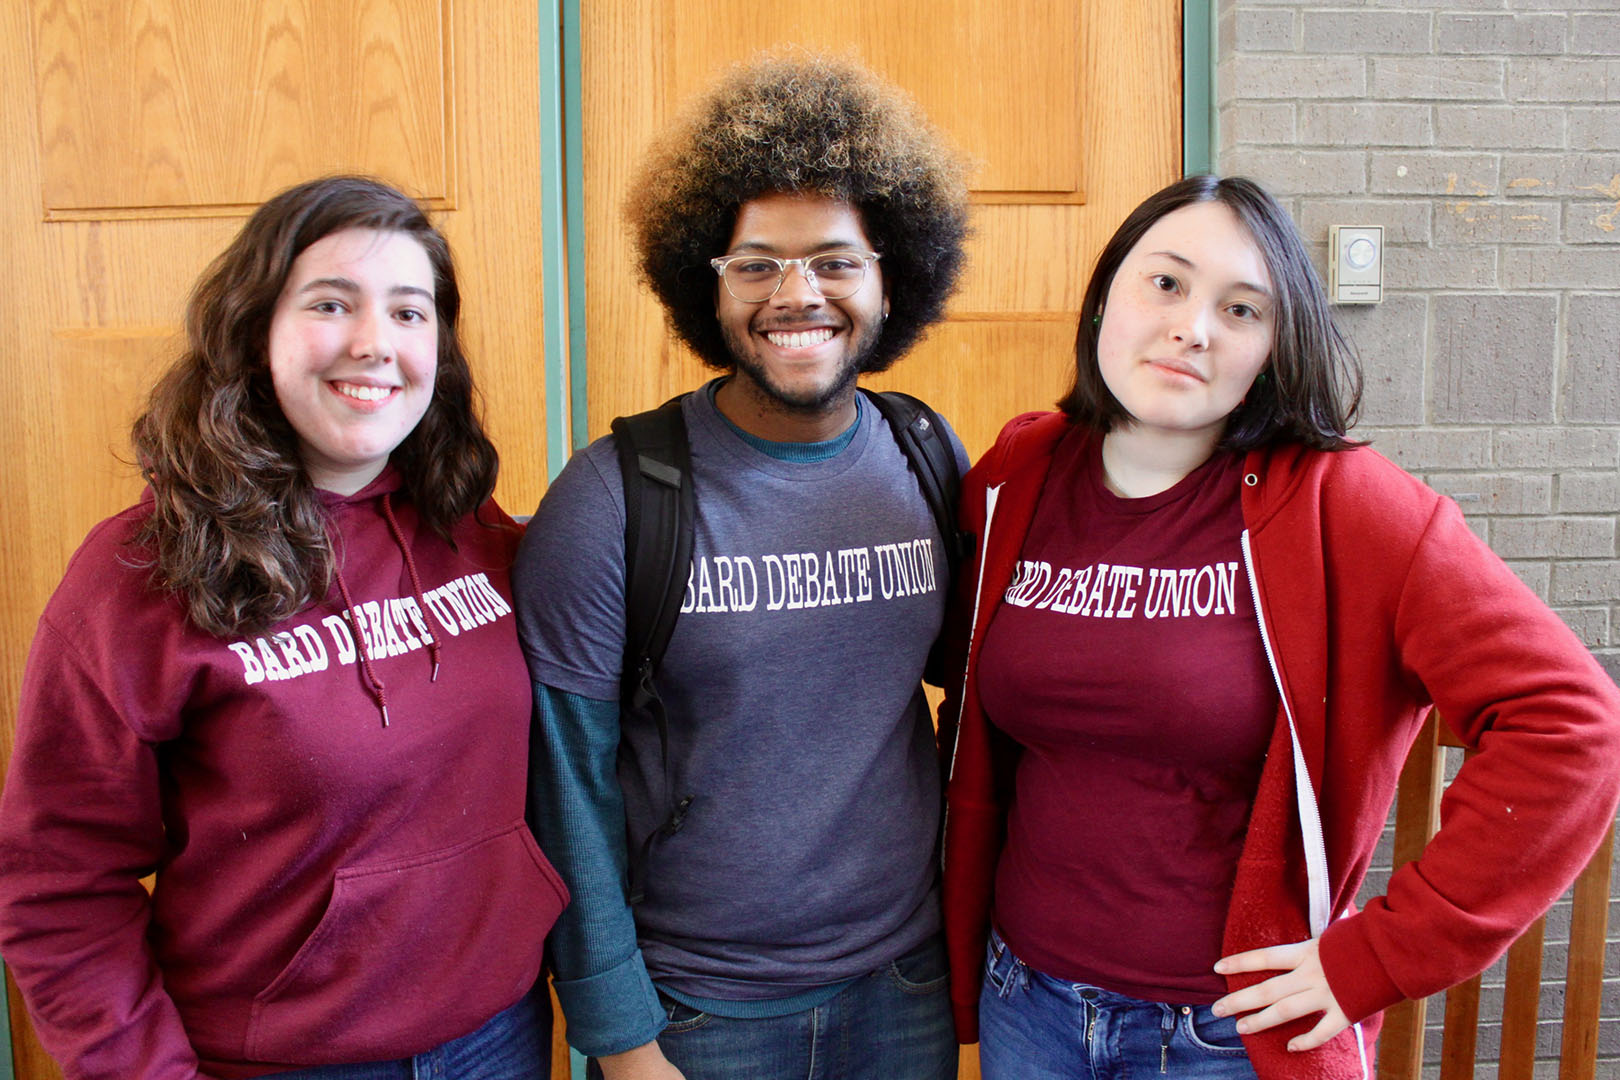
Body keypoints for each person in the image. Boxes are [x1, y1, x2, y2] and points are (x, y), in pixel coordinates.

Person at [938, 174, 1620, 1080]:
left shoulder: (1347, 506)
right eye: (1167, 283)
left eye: (1242, 308)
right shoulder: (1021, 470)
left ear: (1274, 343)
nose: (1194, 327)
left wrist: (1376, 957)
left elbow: (1571, 723)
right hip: (1026, 1001)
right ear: (1105, 295)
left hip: (1226, 1036)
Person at [0, 175, 567, 1080]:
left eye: (411, 312)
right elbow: (57, 885)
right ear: (254, 327)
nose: (375, 343)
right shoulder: (139, 574)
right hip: (279, 1063)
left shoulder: (478, 532)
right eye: (331, 303)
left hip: (499, 1038)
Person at [515, 53, 969, 1080]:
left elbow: (982, 691)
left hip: (903, 982)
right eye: (756, 263)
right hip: (698, 1008)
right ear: (705, 285)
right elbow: (565, 788)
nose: (796, 294)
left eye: (835, 260)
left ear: (890, 276)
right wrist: (621, 1037)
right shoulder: (613, 498)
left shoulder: (927, 457)